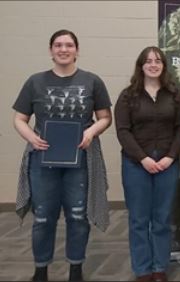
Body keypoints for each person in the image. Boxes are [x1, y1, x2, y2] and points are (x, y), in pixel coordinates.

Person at [13, 29, 112, 282]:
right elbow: (19, 119)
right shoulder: (35, 81)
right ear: (51, 50)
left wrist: (91, 132)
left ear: (77, 51)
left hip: (80, 160)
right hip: (42, 161)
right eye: (58, 45)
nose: (63, 49)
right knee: (43, 217)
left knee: (78, 216)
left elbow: (105, 118)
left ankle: (75, 268)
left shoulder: (93, 81)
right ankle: (41, 269)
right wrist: (30, 137)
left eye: (69, 45)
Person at [114, 46, 180, 282]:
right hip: (136, 164)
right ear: (141, 65)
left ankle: (159, 267)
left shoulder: (174, 95)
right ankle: (143, 269)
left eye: (158, 61)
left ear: (164, 66)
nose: (153, 64)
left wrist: (170, 157)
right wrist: (143, 158)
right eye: (148, 61)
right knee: (138, 219)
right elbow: (123, 131)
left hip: (167, 162)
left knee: (162, 218)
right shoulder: (128, 96)